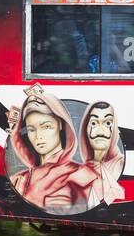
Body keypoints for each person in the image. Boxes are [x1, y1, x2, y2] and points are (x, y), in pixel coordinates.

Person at [6, 85, 96, 215]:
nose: (38, 136)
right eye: (31, 129)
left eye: (46, 126)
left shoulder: (80, 175)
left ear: (60, 124)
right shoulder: (19, 179)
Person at [78, 101, 125, 208]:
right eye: (94, 123)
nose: (100, 131)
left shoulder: (121, 165)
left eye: (107, 123)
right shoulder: (79, 171)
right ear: (85, 128)